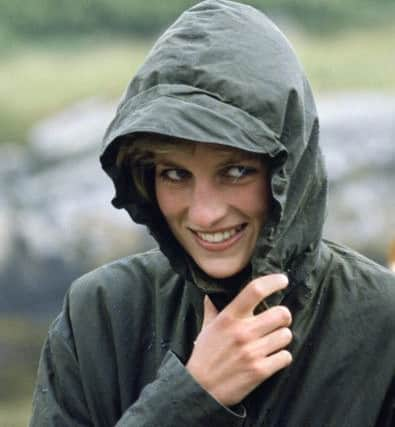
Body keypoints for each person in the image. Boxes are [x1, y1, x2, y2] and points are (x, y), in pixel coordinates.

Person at [30, 1, 395, 426]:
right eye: (174, 174)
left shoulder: (383, 327)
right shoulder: (99, 317)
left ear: (288, 171)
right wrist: (187, 401)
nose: (204, 214)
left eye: (236, 171)